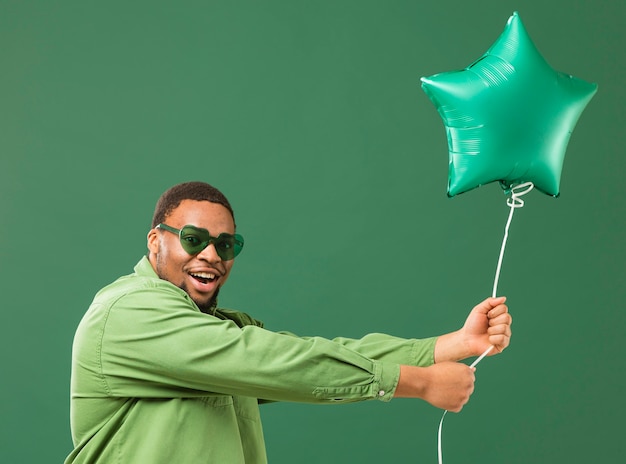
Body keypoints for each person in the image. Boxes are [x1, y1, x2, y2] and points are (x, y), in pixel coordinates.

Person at [65, 181, 512, 463]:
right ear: (155, 242)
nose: (210, 255)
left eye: (226, 244)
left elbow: (303, 356)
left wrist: (448, 345)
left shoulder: (213, 329)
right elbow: (271, 361)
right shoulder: (128, 312)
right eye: (193, 239)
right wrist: (417, 382)